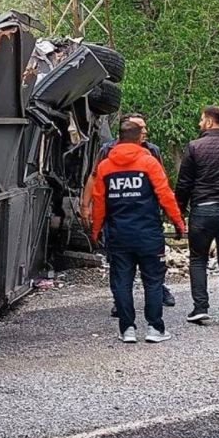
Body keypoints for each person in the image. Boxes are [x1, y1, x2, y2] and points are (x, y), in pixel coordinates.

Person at [91, 120, 187, 344]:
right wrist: (178, 223)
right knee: (153, 281)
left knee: (121, 282)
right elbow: (165, 195)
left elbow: (99, 202)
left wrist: (96, 231)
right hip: (148, 234)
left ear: (120, 138)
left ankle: (127, 329)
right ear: (138, 138)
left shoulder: (105, 167)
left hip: (118, 235)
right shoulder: (148, 162)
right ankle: (155, 328)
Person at [81, 112, 177, 309]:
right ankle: (120, 301)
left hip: (146, 215)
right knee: (119, 264)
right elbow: (94, 178)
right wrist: (86, 206)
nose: (145, 132)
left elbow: (162, 183)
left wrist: (170, 212)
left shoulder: (152, 151)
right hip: (116, 216)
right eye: (141, 129)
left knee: (152, 262)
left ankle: (159, 290)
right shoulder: (107, 151)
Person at [174, 105, 219, 325]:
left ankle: (200, 308)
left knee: (198, 259)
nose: (199, 124)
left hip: (202, 210)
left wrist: (178, 209)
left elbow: (184, 182)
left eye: (202, 119)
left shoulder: (194, 147)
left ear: (210, 122)